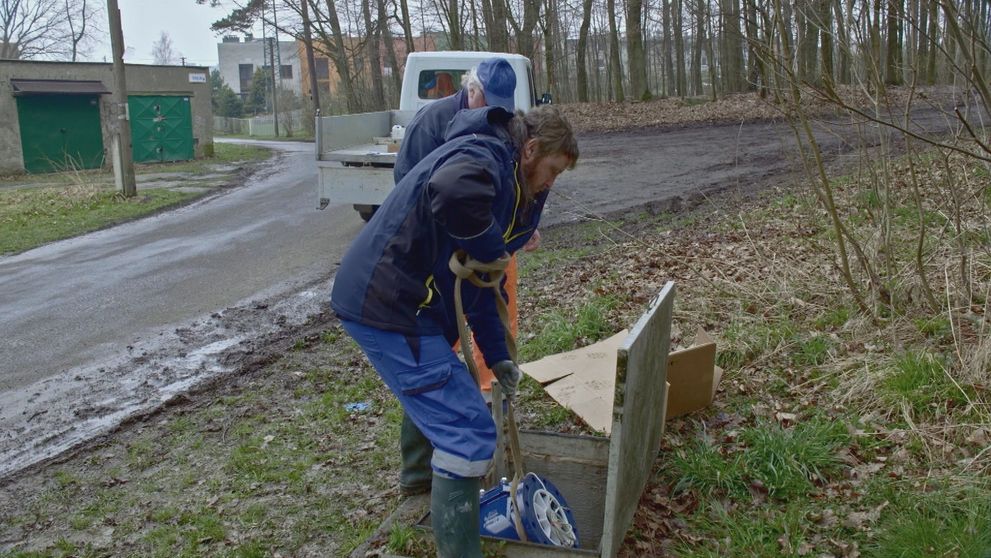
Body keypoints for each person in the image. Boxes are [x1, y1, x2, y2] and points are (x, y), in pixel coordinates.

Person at [331, 104, 578, 557]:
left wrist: (498, 353)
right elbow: (450, 188)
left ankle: (430, 494)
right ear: (531, 149)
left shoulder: (507, 189)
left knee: (464, 426)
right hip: (386, 303)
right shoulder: (483, 154)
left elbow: (482, 282)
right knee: (467, 432)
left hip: (411, 306)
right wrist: (490, 250)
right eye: (552, 170)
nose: (551, 183)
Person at [393, 57, 517, 183]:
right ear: (472, 90)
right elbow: (406, 176)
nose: (494, 111)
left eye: (501, 106)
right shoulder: (430, 121)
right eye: (489, 104)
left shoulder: (502, 120)